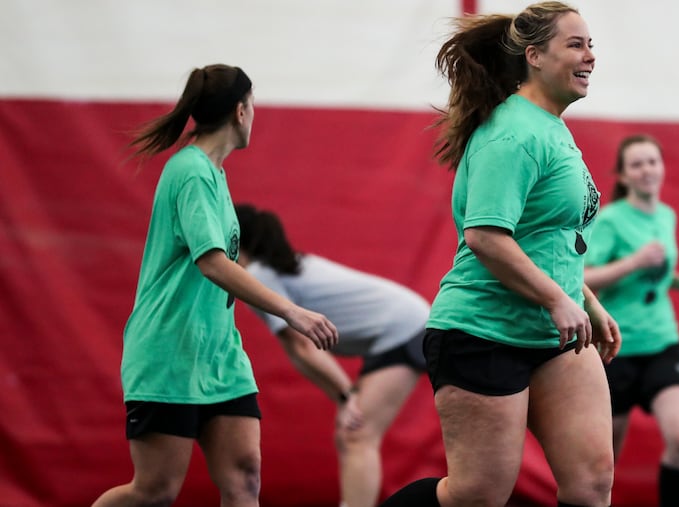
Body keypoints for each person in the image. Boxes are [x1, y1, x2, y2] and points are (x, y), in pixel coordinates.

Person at [380, 3, 621, 507]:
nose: (590, 56)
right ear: (534, 56)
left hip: (554, 336)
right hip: (482, 332)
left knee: (592, 481)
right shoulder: (512, 134)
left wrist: (588, 300)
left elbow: (544, 240)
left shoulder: (551, 128)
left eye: (591, 44)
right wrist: (559, 299)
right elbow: (486, 237)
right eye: (575, 45)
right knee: (477, 494)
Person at [92, 64, 338, 507]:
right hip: (170, 354)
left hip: (220, 357)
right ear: (241, 111)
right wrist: (292, 310)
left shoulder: (215, 174)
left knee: (245, 479)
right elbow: (212, 263)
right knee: (154, 491)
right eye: (254, 105)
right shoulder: (190, 171)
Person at [234, 203, 430, 507]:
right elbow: (299, 353)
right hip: (396, 331)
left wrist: (345, 395)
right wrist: (343, 395)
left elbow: (302, 347)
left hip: (406, 329)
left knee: (357, 434)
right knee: (349, 433)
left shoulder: (259, 274)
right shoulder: (271, 271)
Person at [584, 134, 679, 507]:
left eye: (652, 161)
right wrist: (633, 262)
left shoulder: (666, 215)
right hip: (615, 347)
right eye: (636, 164)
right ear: (623, 176)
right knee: (601, 466)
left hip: (662, 343)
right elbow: (582, 277)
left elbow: (658, 274)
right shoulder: (611, 221)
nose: (647, 170)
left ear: (662, 167)